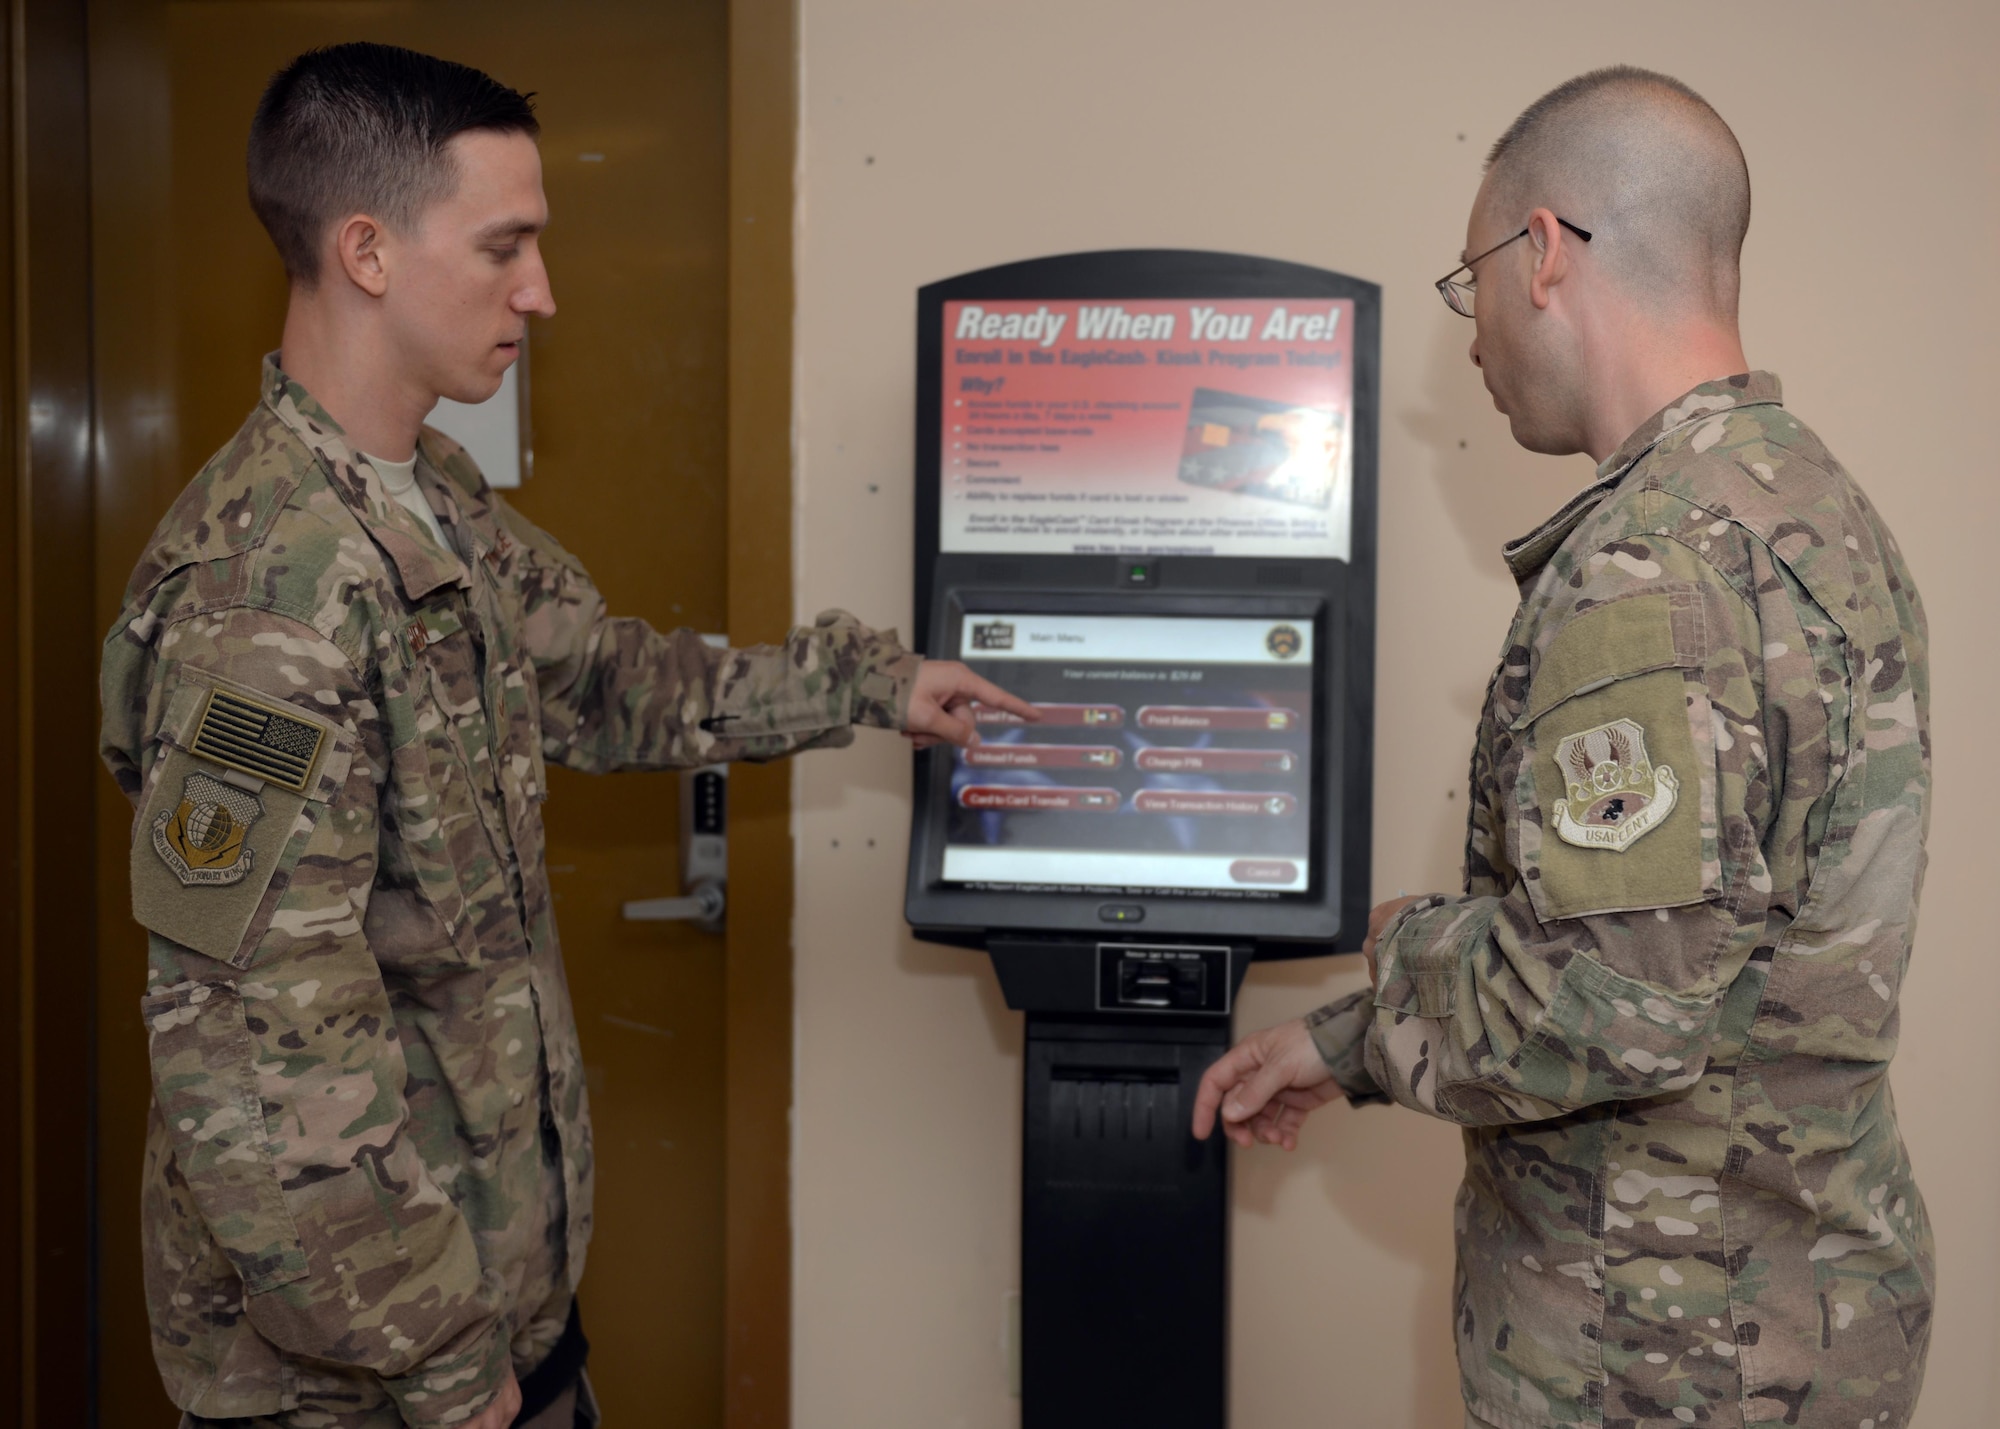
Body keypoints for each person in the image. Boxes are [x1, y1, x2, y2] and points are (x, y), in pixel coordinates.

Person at [99, 43, 1033, 1429]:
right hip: (354, 1381)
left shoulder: (429, 498)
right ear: (366, 250)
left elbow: (601, 679)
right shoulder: (268, 598)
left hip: (495, 1321)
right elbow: (253, 1051)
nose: (543, 290)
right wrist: (437, 1362)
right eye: (506, 246)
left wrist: (868, 688)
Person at [1193, 66, 1932, 1429]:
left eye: (1470, 274)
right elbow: (1713, 958)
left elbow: (1611, 1005)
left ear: (1541, 254)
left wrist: (1403, 943)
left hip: (1655, 1354)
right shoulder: (1818, 510)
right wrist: (1354, 1047)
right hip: (1804, 1310)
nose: (1470, 336)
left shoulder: (1645, 570)